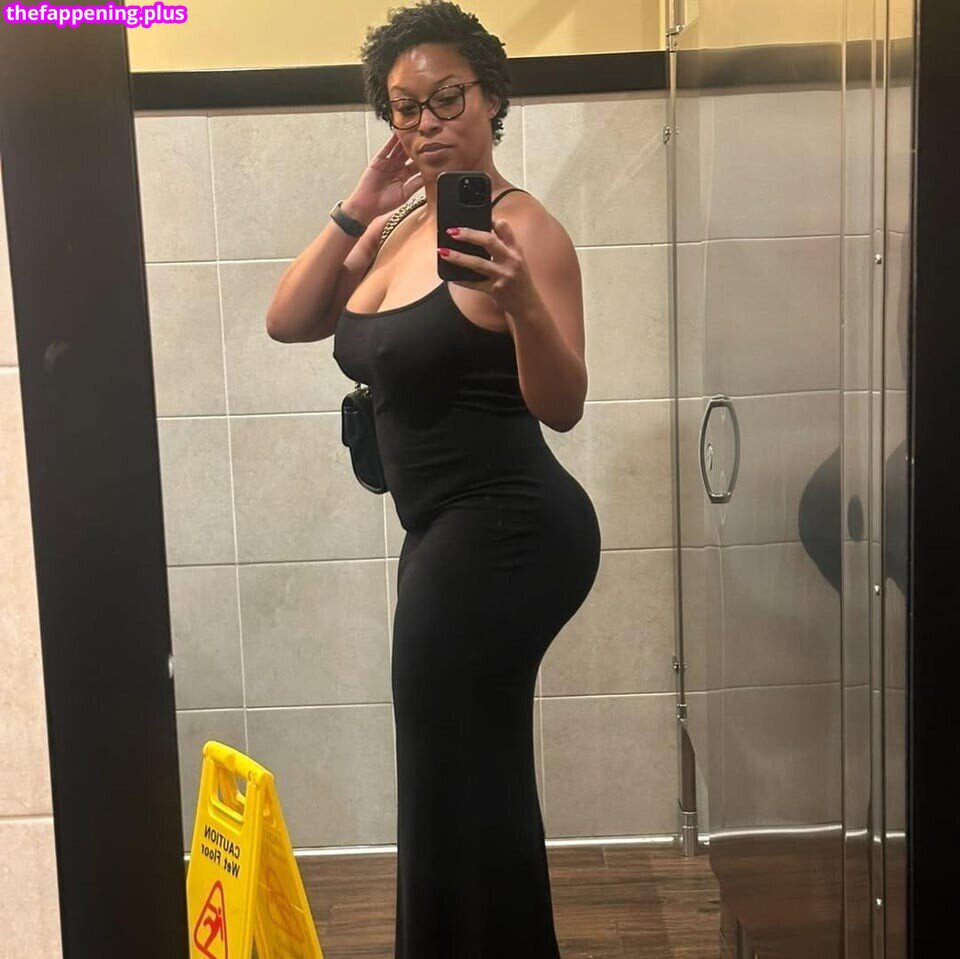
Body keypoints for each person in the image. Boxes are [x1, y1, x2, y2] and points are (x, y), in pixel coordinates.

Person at [266, 2, 601, 955]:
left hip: (510, 529)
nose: (426, 123)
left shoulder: (526, 230)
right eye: (404, 108)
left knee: (454, 773)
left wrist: (522, 302)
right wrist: (360, 202)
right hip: (442, 536)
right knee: (461, 773)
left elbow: (564, 404)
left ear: (491, 97)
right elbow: (289, 320)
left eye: (447, 98)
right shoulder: (401, 225)